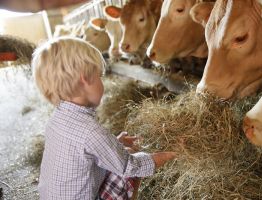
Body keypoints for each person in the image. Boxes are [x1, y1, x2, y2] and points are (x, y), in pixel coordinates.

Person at [32, 36, 177, 200]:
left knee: (123, 151)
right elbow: (130, 167)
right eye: (100, 76)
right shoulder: (90, 131)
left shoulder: (57, 119)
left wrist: (116, 143)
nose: (102, 81)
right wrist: (170, 154)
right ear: (85, 80)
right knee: (130, 164)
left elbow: (82, 149)